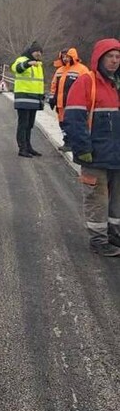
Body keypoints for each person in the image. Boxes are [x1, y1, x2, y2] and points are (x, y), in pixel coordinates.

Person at [64, 38, 120, 256]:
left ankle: (113, 233)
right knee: (97, 199)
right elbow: (75, 119)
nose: (114, 61)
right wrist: (82, 149)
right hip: (95, 155)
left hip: (116, 155)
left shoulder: (117, 84)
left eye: (118, 57)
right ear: (100, 58)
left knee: (116, 200)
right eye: (110, 57)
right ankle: (98, 240)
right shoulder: (86, 82)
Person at [48, 47, 89, 151]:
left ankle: (75, 143)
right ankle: (67, 142)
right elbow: (53, 86)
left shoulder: (82, 69)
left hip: (74, 104)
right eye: (63, 57)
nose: (65, 59)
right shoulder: (59, 71)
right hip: (60, 103)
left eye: (67, 56)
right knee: (62, 124)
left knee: (74, 124)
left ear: (73, 56)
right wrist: (52, 98)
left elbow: (87, 86)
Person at [11, 41, 45, 157]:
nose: (38, 54)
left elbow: (39, 83)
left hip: (34, 99)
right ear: (31, 51)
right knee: (23, 124)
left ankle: (28, 146)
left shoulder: (38, 65)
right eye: (36, 51)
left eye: (40, 52)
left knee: (30, 124)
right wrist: (28, 63)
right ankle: (22, 148)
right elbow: (16, 68)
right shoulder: (22, 60)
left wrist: (41, 97)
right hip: (24, 98)